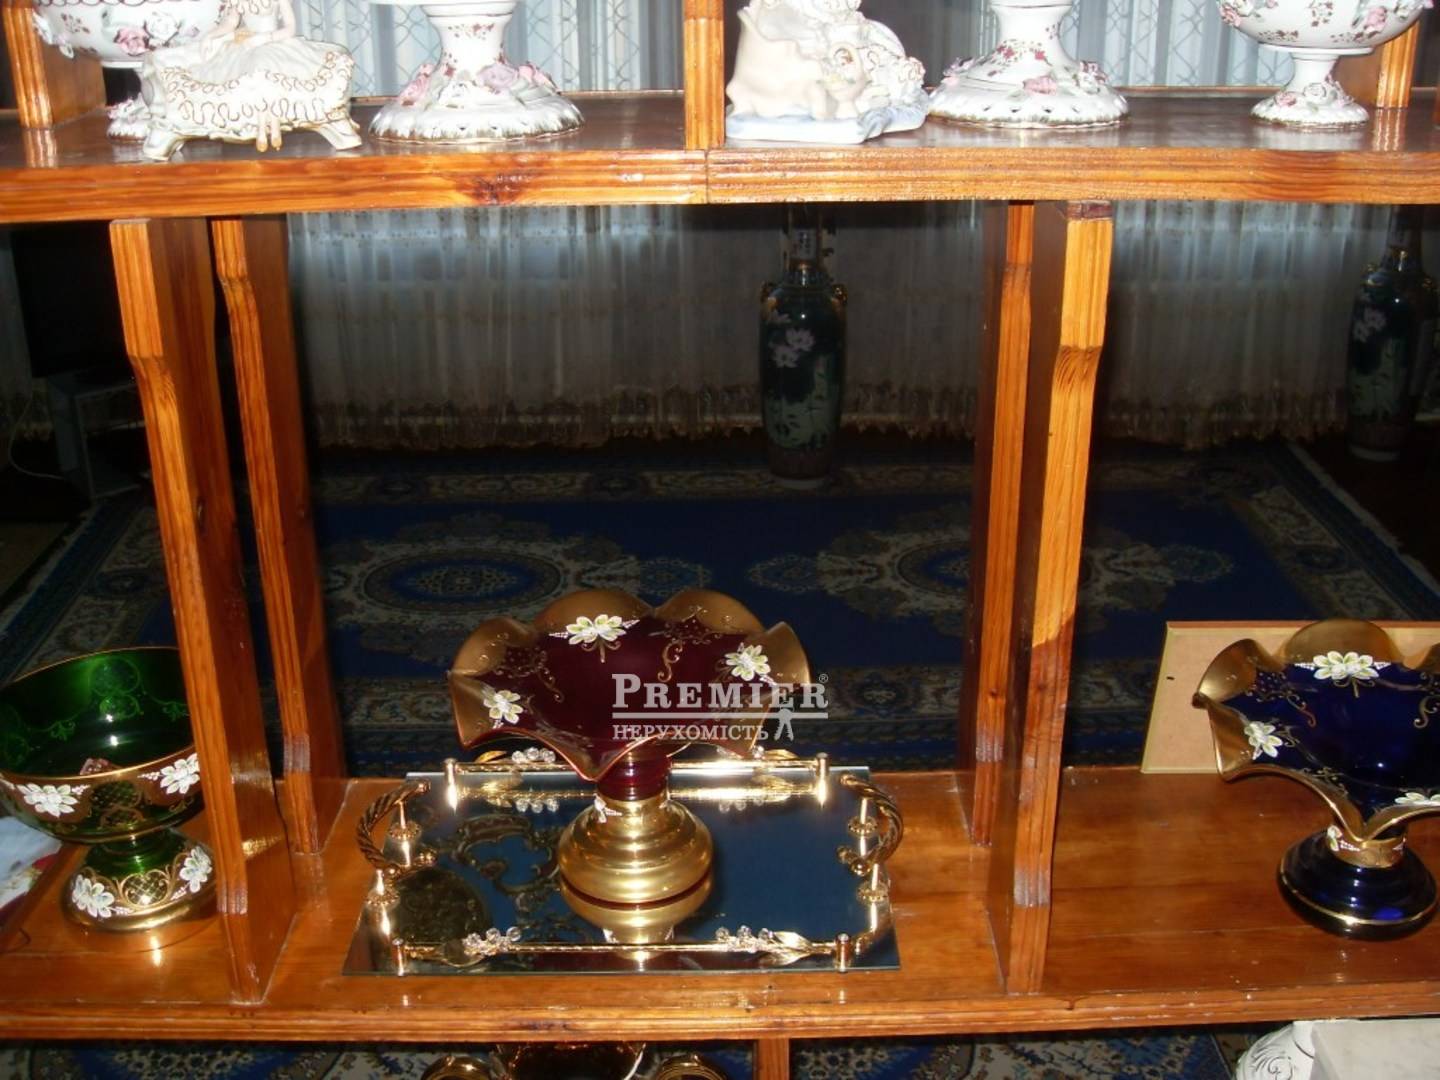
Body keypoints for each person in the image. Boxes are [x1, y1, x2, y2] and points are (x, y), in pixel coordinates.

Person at [140, 0, 361, 159]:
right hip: (244, 44)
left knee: (264, 69)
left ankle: (273, 124)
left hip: (273, 45)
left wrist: (266, 38)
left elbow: (290, 28)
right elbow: (230, 22)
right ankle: (252, 124)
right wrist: (212, 35)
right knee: (242, 74)